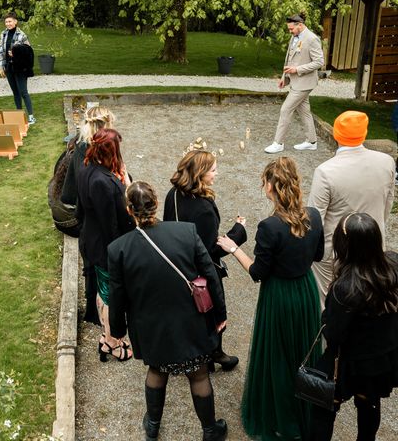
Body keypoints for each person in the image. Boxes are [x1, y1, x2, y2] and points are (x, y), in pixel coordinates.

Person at [109, 181, 228, 441]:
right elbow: (210, 275)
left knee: (157, 370)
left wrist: (117, 331)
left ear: (129, 210)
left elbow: (117, 297)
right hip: (190, 321)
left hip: (151, 325)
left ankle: (152, 426)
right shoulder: (186, 232)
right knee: (198, 374)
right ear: (156, 203)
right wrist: (220, 315)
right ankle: (210, 430)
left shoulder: (118, 249)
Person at [217, 157, 324, 440]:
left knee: (278, 356)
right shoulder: (313, 214)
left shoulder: (269, 226)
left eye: (264, 182)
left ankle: (281, 416)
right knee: (303, 351)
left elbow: (257, 273)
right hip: (305, 291)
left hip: (279, 296)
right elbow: (318, 256)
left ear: (271, 187)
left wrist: (232, 248)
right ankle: (307, 407)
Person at [310, 213, 398, 441]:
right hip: (380, 358)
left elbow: (333, 333)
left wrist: (328, 308)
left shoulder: (345, 288)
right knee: (369, 405)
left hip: (347, 361)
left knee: (323, 409)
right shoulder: (393, 264)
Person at [163, 150, 246, 372]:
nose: (216, 173)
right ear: (200, 174)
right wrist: (238, 232)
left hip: (178, 263)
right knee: (210, 311)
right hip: (200, 270)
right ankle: (212, 353)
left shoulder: (173, 194)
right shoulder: (203, 209)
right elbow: (209, 252)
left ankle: (199, 352)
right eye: (213, 170)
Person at [308, 110, 394, 304]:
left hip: (337, 250)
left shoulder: (325, 171)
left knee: (327, 301)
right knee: (371, 296)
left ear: (336, 135)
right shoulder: (386, 162)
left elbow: (315, 218)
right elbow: (387, 205)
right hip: (373, 241)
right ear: (364, 134)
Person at [76, 128, 135, 360]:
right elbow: (110, 223)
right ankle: (110, 341)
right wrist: (119, 253)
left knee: (103, 289)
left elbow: (81, 209)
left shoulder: (86, 167)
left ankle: (107, 335)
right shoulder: (101, 181)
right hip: (104, 247)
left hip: (92, 238)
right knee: (109, 293)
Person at [61, 106, 117, 323]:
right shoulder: (98, 153)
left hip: (86, 219)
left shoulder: (81, 148)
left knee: (91, 265)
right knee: (102, 265)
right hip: (99, 217)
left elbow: (69, 193)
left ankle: (94, 312)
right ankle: (102, 313)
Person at [265, 13, 324, 154]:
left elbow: (319, 62)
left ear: (300, 25)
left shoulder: (312, 39)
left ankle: (278, 143)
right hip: (295, 82)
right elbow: (289, 58)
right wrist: (284, 77)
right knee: (304, 111)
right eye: (289, 29)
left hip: (305, 83)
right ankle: (311, 141)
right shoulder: (294, 36)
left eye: (292, 29)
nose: (290, 32)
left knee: (285, 109)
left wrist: (297, 70)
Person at [0, 12, 35, 125]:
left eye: (10, 21)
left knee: (23, 92)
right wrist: (1, 67)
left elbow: (28, 52)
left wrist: (16, 54)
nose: (8, 24)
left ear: (15, 22)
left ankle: (31, 116)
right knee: (15, 92)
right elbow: (1, 51)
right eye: (6, 22)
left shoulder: (22, 35)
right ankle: (19, 115)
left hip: (20, 68)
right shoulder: (3, 34)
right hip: (8, 67)